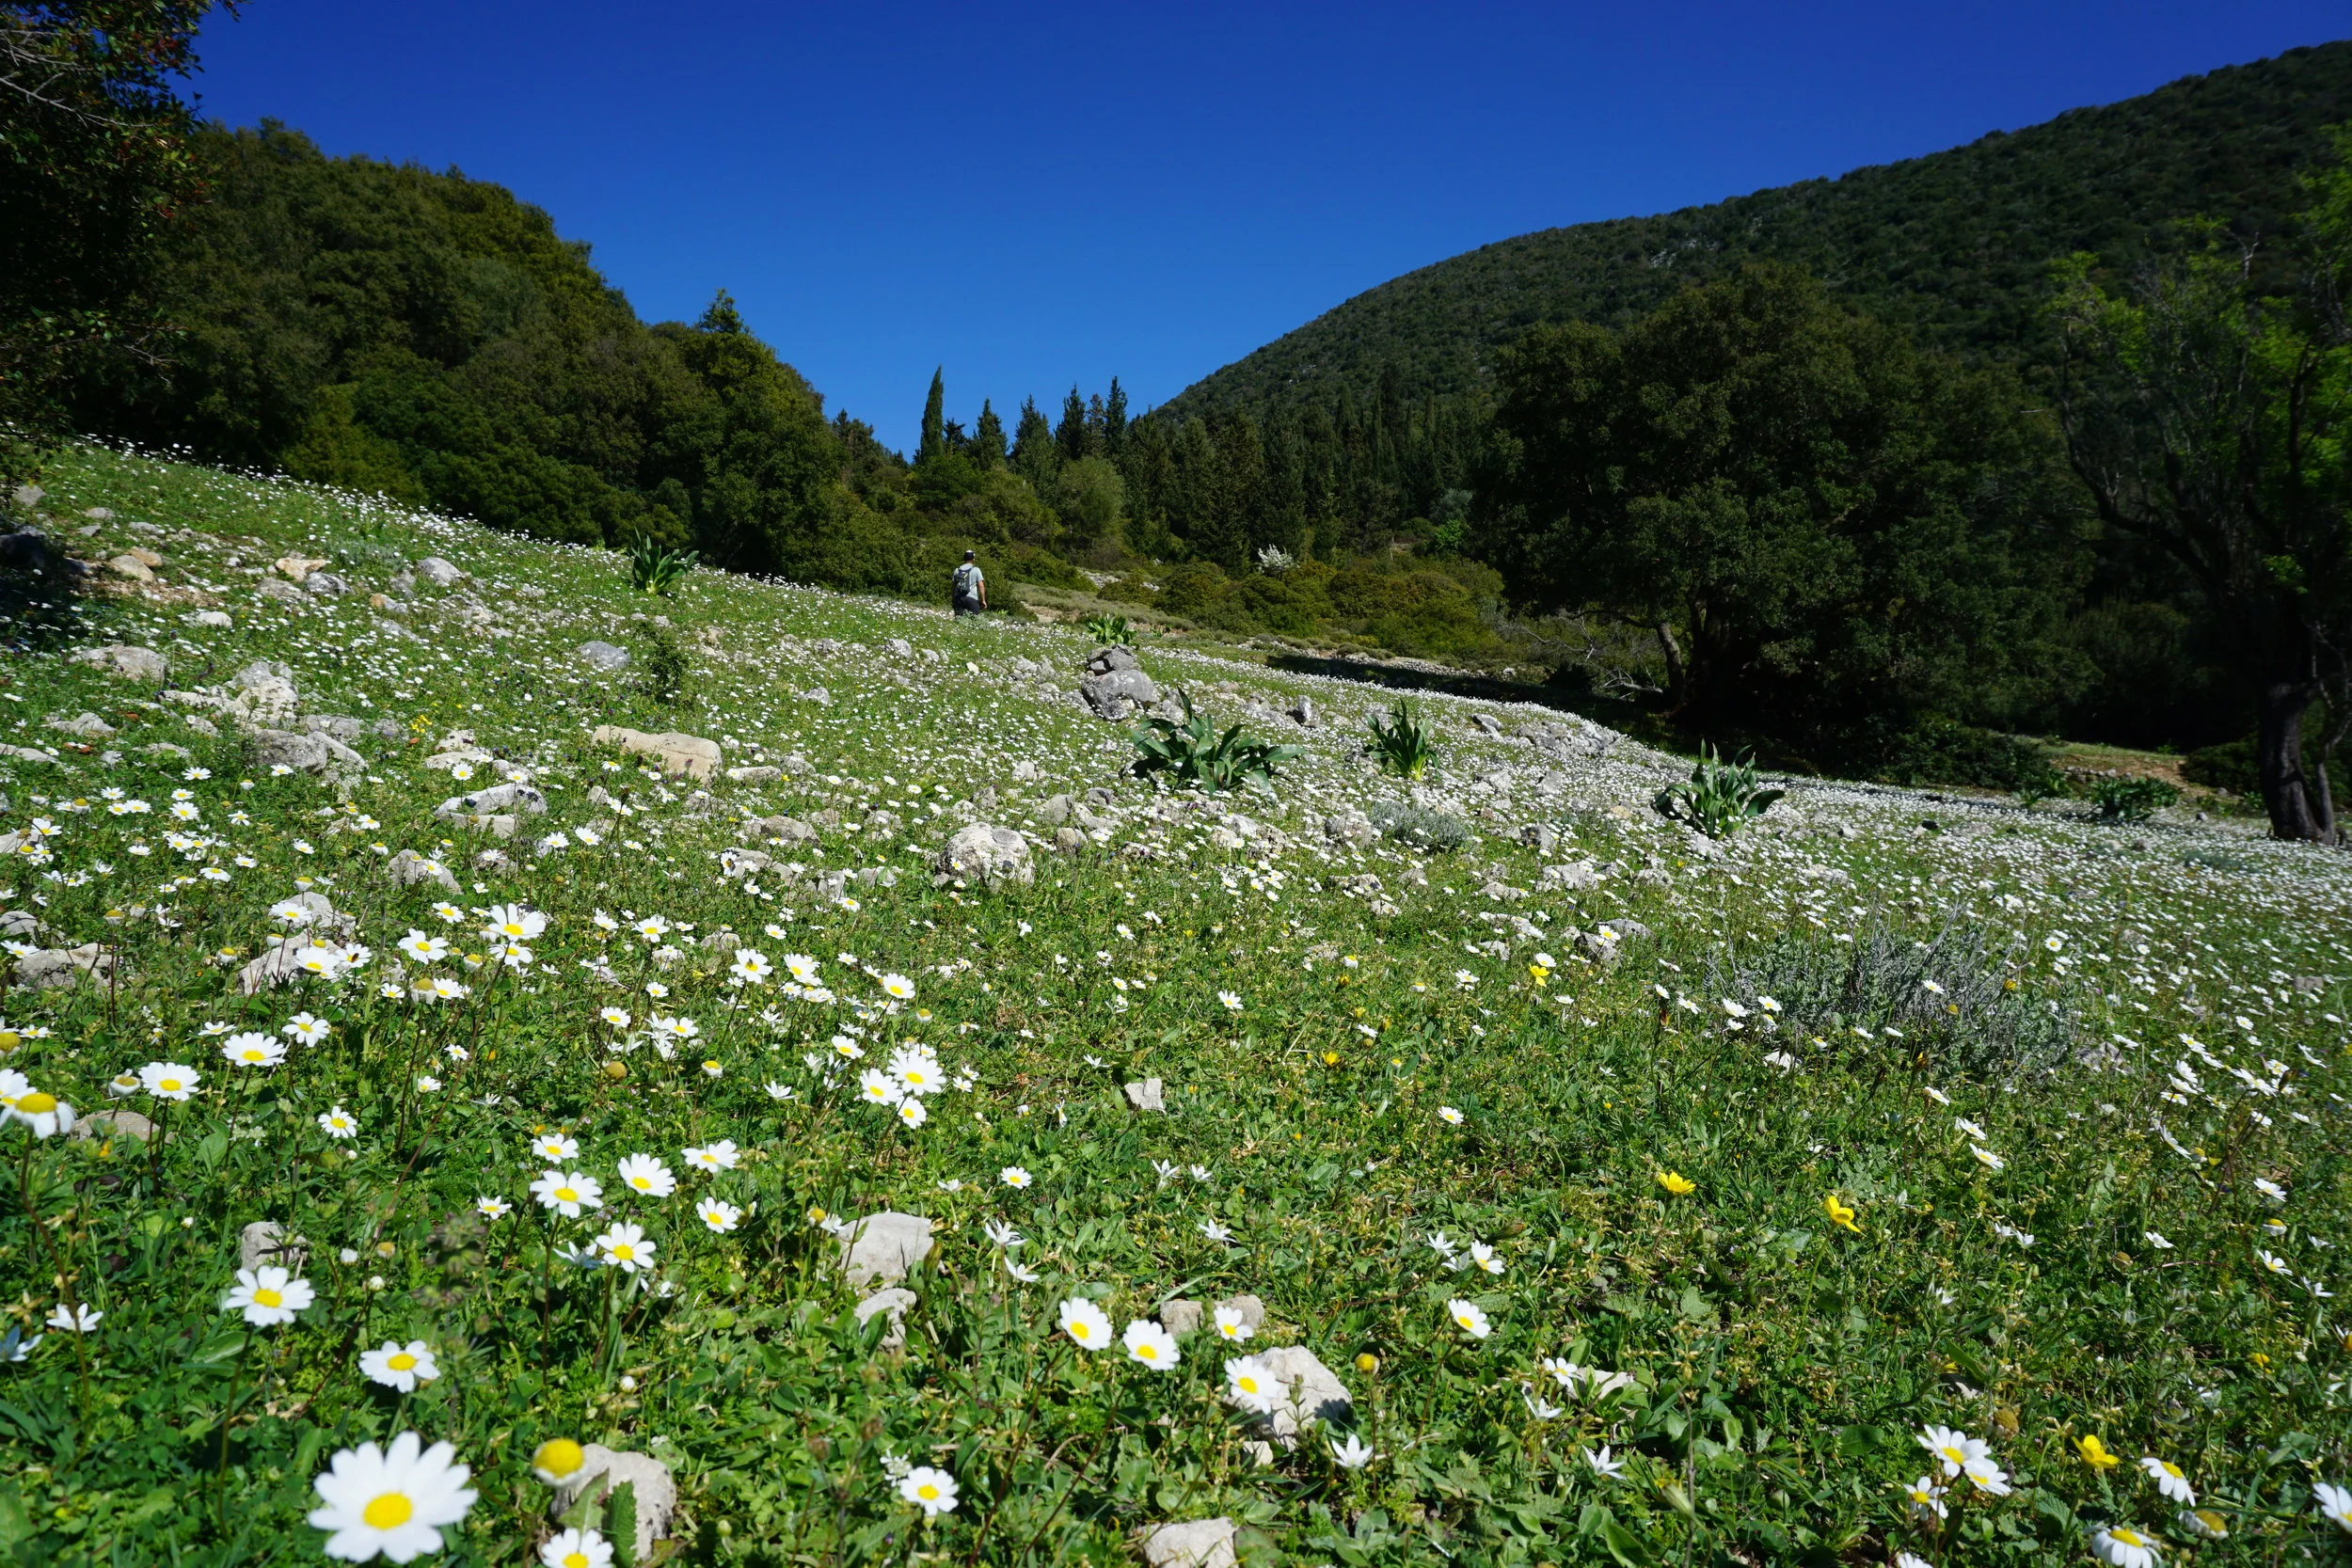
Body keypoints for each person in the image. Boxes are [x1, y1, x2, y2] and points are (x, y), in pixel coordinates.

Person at [950, 549, 987, 616]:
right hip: (972, 598)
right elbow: (981, 586)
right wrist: (983, 600)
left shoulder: (957, 570)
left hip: (959, 599)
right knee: (974, 620)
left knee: (959, 620)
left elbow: (953, 586)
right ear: (973, 559)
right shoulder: (976, 570)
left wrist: (953, 598)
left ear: (964, 558)